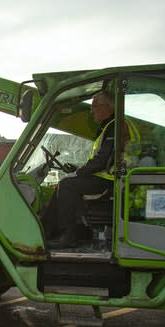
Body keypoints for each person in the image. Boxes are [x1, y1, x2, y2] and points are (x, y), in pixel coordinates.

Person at [44, 91, 126, 249]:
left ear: (107, 107)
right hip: (110, 178)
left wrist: (78, 173)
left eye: (94, 106)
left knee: (67, 185)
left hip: (109, 181)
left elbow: (101, 161)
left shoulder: (114, 127)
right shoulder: (109, 126)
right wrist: (78, 170)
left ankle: (67, 236)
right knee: (65, 183)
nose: (91, 110)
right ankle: (48, 230)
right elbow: (101, 159)